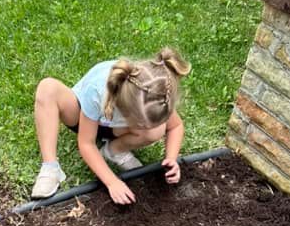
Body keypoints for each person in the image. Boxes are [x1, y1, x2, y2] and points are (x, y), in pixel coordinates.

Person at [30, 48, 191, 204]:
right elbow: (86, 143)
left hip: (117, 128)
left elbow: (175, 127)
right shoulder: (98, 91)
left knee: (156, 130)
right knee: (47, 88)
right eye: (142, 123)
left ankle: (114, 151)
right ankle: (51, 168)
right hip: (82, 117)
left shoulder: (155, 97)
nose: (144, 127)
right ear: (129, 109)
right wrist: (112, 182)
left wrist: (171, 159)